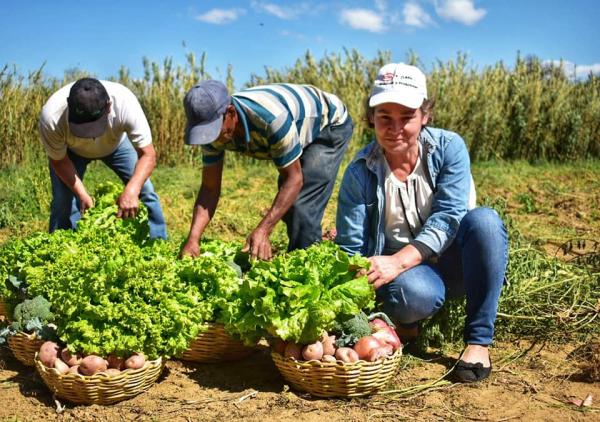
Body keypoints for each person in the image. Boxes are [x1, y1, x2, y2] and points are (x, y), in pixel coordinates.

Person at [335, 63, 508, 383]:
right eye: (385, 116)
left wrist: (396, 263)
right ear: (371, 117)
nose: (395, 127)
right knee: (413, 293)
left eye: (407, 117)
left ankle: (478, 342)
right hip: (412, 277)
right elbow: (350, 246)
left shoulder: (448, 149)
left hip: (456, 262)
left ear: (424, 115)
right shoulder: (360, 171)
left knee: (485, 222)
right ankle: (408, 323)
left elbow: (449, 216)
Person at [180, 80, 353, 260]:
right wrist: (193, 238)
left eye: (214, 130)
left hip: (327, 124)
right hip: (294, 128)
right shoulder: (211, 135)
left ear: (230, 113)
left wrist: (263, 230)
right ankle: (301, 253)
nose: (211, 139)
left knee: (302, 205)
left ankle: (308, 270)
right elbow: (209, 188)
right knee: (287, 206)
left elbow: (294, 179)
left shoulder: (271, 119)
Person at [39, 77, 167, 239]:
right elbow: (59, 161)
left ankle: (158, 243)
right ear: (68, 105)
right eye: (82, 127)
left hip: (117, 145)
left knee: (145, 190)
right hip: (71, 152)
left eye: (94, 126)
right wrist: (81, 194)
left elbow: (148, 155)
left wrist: (132, 190)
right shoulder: (51, 116)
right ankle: (62, 246)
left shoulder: (125, 102)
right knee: (63, 200)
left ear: (108, 106)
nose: (90, 136)